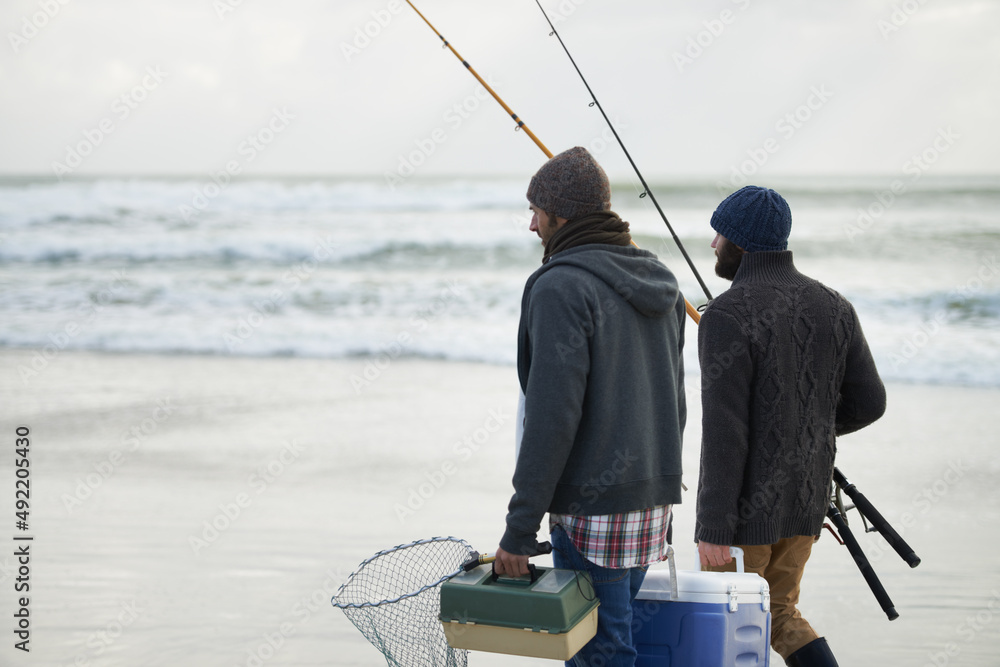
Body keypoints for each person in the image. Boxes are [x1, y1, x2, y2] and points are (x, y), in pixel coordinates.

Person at [491, 146, 687, 666]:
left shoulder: (561, 285)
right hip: (651, 505)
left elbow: (552, 417)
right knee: (617, 641)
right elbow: (676, 399)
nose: (532, 225)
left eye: (537, 210)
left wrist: (519, 528)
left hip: (591, 513)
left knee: (600, 652)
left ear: (562, 214)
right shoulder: (661, 279)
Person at [695, 186, 887, 666]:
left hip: (743, 512)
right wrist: (803, 435)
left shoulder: (726, 314)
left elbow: (725, 433)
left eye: (720, 233)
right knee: (779, 614)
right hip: (806, 498)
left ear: (740, 243)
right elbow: (870, 403)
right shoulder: (835, 306)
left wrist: (713, 528)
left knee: (725, 622)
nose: (713, 243)